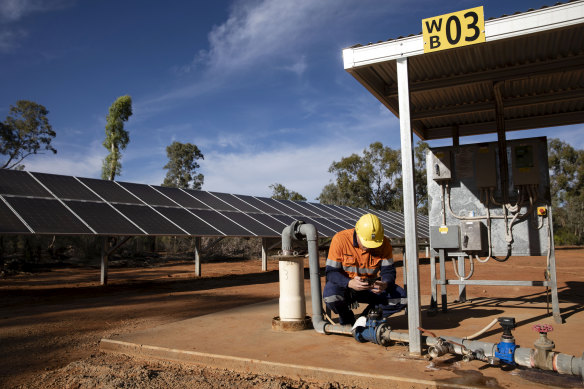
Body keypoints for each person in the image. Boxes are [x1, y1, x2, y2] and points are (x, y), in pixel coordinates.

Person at [323, 213, 407, 325]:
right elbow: (331, 272)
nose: (370, 247)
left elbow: (388, 270)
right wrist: (349, 283)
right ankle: (347, 317)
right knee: (331, 296)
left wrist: (385, 283)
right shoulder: (340, 239)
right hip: (345, 287)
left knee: (403, 298)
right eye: (366, 243)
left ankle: (364, 320)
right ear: (357, 232)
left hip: (370, 287)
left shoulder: (384, 243)